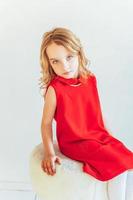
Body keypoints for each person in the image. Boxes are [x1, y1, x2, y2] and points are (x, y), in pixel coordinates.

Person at [39, 27, 133, 199]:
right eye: (55, 61)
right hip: (75, 141)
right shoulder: (55, 89)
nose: (64, 66)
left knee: (129, 159)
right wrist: (49, 153)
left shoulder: (90, 79)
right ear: (49, 63)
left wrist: (110, 137)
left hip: (96, 134)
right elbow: (45, 124)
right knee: (118, 163)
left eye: (69, 57)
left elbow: (97, 111)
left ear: (79, 54)